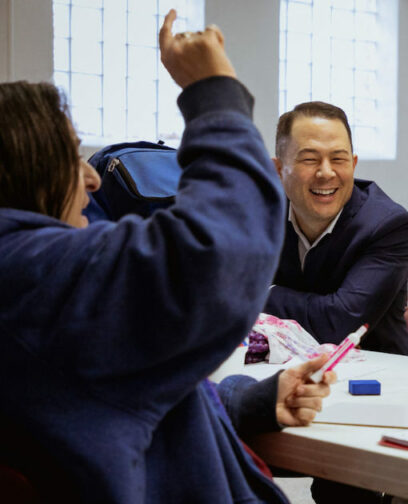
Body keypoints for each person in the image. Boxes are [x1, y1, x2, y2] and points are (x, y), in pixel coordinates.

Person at [0, 11, 331, 503]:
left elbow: (102, 405)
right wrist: (213, 92)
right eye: (72, 155)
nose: (91, 180)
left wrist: (248, 400)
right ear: (29, 169)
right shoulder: (28, 274)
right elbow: (218, 253)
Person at [263, 101, 408, 356]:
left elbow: (338, 324)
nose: (326, 172)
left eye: (338, 159)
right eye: (310, 159)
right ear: (278, 169)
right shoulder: (260, 215)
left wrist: (258, 294)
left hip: (377, 380)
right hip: (283, 373)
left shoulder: (388, 225)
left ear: (353, 164)